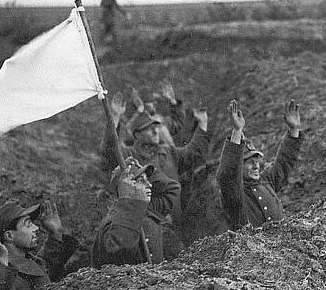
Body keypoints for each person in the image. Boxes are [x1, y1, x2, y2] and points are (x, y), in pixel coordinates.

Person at [103, 88, 210, 258]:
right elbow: (110, 151)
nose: (155, 131)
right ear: (137, 134)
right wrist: (115, 117)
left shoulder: (168, 152)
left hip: (174, 226)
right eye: (148, 128)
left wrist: (202, 124)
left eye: (156, 127)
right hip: (144, 230)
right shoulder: (129, 156)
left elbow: (193, 153)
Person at [217, 99, 304, 231]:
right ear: (239, 167)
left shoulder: (266, 180)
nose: (256, 166)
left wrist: (294, 129)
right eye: (249, 162)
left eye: (256, 161)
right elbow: (228, 174)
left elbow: (285, 161)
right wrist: (237, 131)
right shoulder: (235, 192)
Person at [0, 200, 78, 289]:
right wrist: (3, 263)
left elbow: (43, 269)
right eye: (28, 224)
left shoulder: (24, 261)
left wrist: (56, 233)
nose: (36, 228)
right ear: (9, 236)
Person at [92, 157, 172, 267]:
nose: (149, 185)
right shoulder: (114, 223)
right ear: (124, 189)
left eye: (147, 180)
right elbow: (120, 253)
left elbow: (172, 189)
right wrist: (129, 200)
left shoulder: (143, 213)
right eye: (140, 181)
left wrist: (142, 165)